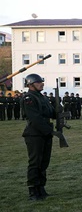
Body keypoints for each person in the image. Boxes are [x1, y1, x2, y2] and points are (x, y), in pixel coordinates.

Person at [21, 73, 57, 201]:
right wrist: (49, 131)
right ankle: (33, 190)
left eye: (41, 81)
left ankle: (41, 188)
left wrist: (59, 111)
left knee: (44, 162)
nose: (41, 83)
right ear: (30, 85)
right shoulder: (28, 98)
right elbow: (34, 118)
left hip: (45, 132)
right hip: (34, 133)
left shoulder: (42, 97)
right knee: (35, 162)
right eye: (38, 82)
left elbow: (51, 112)